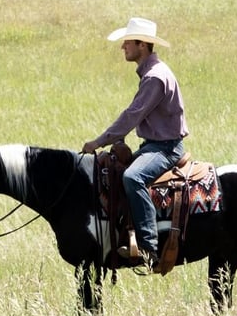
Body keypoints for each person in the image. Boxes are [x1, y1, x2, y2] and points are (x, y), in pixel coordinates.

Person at [81, 17, 188, 270]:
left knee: (132, 178)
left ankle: (149, 247)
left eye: (127, 42)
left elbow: (132, 115)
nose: (123, 47)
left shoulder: (155, 77)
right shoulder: (152, 73)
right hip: (154, 145)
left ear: (143, 45)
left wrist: (99, 141)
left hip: (165, 148)